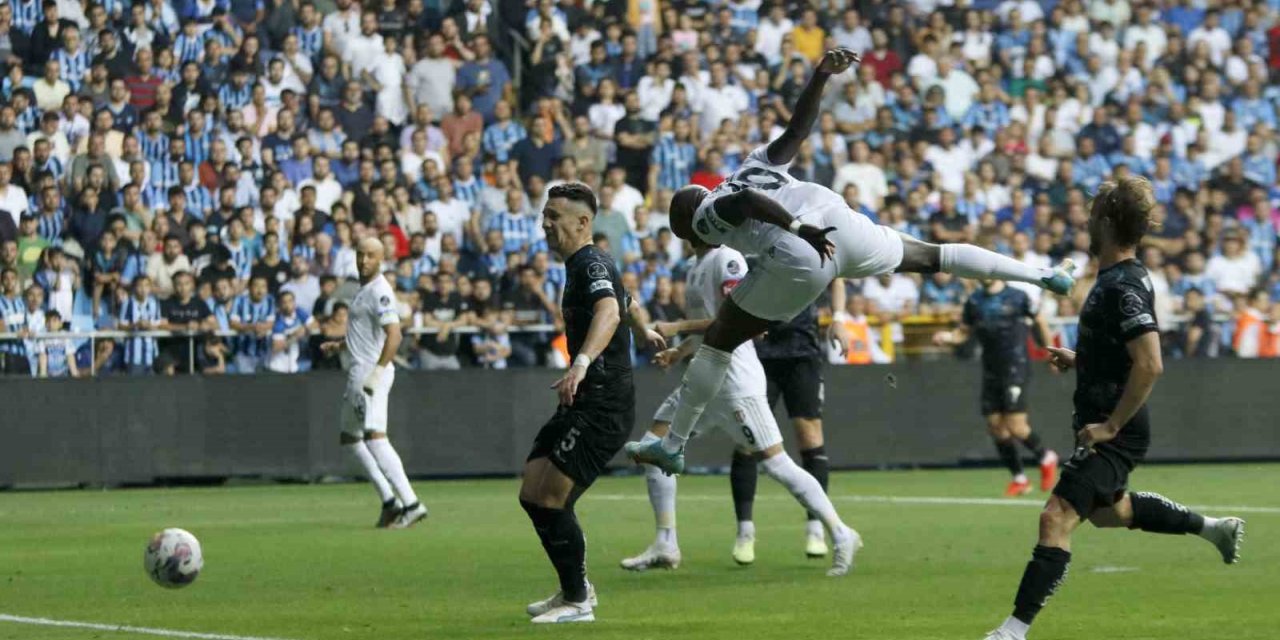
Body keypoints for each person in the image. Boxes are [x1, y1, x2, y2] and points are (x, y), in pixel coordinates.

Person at [625, 48, 1075, 476]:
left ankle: (673, 444)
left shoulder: (703, 216)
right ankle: (1043, 275)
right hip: (840, 220)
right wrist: (820, 77)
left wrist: (797, 229)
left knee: (719, 341)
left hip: (801, 246)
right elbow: (797, 130)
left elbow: (744, 203)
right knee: (932, 255)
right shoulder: (748, 165)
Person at [980, 177, 1245, 640]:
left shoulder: (1123, 286)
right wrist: (1082, 359)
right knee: (1111, 512)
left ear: (1104, 223)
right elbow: (1124, 356)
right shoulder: (1114, 279)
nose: (1085, 222)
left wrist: (1111, 426)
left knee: (1055, 517)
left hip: (1114, 428)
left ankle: (1011, 632)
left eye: (1091, 215)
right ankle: (1213, 529)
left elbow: (1151, 363)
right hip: (1102, 421)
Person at [621, 237, 859, 576]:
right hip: (703, 378)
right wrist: (681, 350)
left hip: (735, 382)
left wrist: (678, 327)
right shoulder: (694, 266)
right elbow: (712, 327)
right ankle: (666, 542)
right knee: (652, 448)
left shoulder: (728, 260)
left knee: (777, 464)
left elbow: (741, 320)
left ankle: (840, 532)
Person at [520, 183, 664, 624]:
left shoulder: (590, 262)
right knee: (532, 491)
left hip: (602, 402)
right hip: (583, 400)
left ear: (582, 222)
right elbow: (625, 301)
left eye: (554, 216)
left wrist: (580, 363)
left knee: (551, 498)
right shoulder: (585, 265)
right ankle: (574, 588)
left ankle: (578, 601)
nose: (545, 223)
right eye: (544, 215)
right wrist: (643, 329)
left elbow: (608, 311)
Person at [319, 237, 426, 529]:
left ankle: (411, 503)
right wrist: (340, 345)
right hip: (358, 370)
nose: (364, 260)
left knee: (376, 438)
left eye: (370, 255)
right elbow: (366, 333)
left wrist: (378, 371)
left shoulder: (380, 291)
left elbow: (395, 335)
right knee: (350, 438)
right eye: (360, 254)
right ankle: (390, 502)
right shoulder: (363, 289)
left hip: (369, 373)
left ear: (381, 259)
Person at [934, 279, 1059, 497]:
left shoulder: (1018, 296)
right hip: (991, 369)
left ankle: (1046, 457)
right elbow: (963, 332)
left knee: (1016, 426)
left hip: (1016, 366)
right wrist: (947, 337)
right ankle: (1020, 478)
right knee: (995, 427)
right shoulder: (974, 301)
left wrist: (1051, 352)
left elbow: (1039, 320)